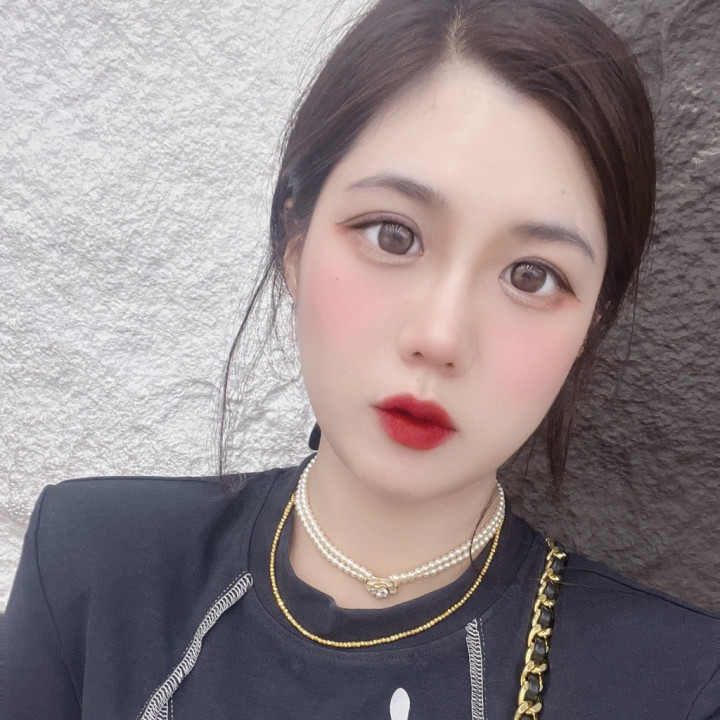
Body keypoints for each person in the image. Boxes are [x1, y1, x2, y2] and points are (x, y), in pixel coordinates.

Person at [5, 0, 719, 717]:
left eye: (531, 276)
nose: (439, 338)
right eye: (392, 235)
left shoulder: (678, 685)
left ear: (593, 326)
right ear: (295, 240)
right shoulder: (91, 564)